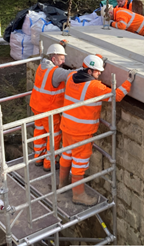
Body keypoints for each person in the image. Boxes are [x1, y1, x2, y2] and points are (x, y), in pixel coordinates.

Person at [59, 55, 135, 206]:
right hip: (81, 133)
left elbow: (84, 67)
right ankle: (78, 195)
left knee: (66, 155)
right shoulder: (94, 87)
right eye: (97, 71)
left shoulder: (72, 76)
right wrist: (129, 81)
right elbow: (116, 96)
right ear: (89, 70)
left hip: (67, 127)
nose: (100, 74)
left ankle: (62, 185)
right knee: (79, 163)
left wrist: (98, 59)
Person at [29, 43, 76, 171]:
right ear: (53, 59)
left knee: (39, 132)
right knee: (54, 135)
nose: (64, 61)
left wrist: (59, 46)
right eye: (61, 59)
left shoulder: (41, 66)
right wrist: (88, 68)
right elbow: (72, 75)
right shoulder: (56, 72)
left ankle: (38, 157)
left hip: (37, 107)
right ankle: (49, 163)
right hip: (49, 110)